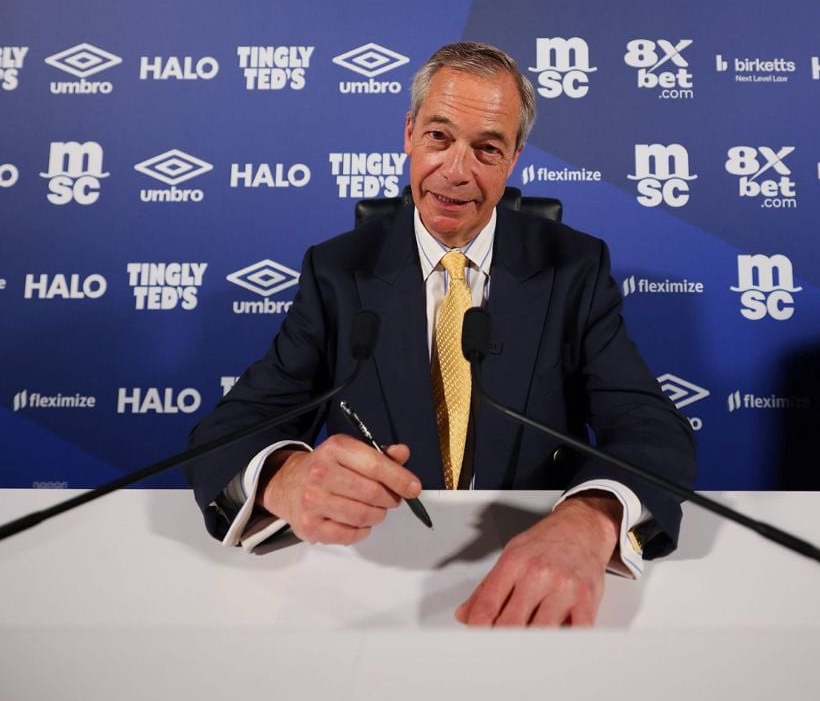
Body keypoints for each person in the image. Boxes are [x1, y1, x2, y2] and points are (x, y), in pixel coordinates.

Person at [187, 41, 696, 627]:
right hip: (366, 579)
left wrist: (590, 520)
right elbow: (230, 429)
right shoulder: (338, 271)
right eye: (438, 137)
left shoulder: (574, 269)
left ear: (514, 159)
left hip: (530, 565)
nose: (456, 171)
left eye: (487, 149)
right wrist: (285, 478)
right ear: (409, 133)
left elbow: (649, 426)